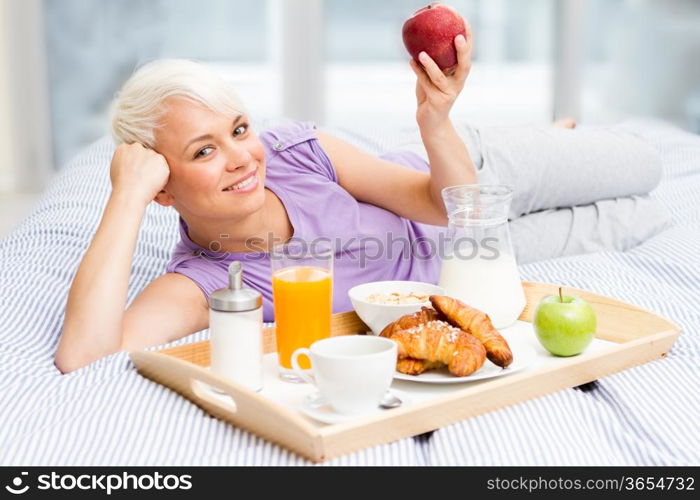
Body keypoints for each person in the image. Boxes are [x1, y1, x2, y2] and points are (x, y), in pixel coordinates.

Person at [55, 32, 509, 374]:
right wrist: (126, 198)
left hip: (459, 180)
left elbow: (450, 208)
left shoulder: (295, 153)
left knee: (577, 157)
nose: (242, 159)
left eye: (237, 130)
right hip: (477, 266)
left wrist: (436, 121)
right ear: (162, 190)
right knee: (583, 223)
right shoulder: (206, 281)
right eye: (203, 151)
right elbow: (84, 356)